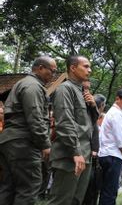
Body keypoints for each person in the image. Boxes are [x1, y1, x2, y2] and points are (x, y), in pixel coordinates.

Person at [0, 56, 57, 204]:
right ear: (40, 68)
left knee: (9, 187)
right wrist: (45, 144)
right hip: (23, 143)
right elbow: (35, 117)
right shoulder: (33, 86)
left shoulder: (23, 84)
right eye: (52, 71)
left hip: (10, 141)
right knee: (29, 187)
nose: (53, 75)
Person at [48, 55, 96, 204]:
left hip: (85, 155)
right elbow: (65, 122)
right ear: (73, 68)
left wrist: (93, 107)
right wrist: (76, 152)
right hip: (70, 156)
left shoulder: (82, 92)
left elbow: (89, 125)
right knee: (62, 200)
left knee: (76, 200)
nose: (90, 70)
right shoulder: (65, 89)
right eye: (86, 66)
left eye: (90, 67)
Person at [98, 88, 122, 205]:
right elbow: (121, 139)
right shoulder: (116, 114)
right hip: (112, 155)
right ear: (117, 98)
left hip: (107, 154)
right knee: (110, 191)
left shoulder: (112, 113)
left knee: (107, 189)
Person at [83, 93, 107, 205]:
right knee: (90, 188)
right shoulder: (93, 120)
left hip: (91, 156)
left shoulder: (91, 118)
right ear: (101, 106)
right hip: (90, 156)